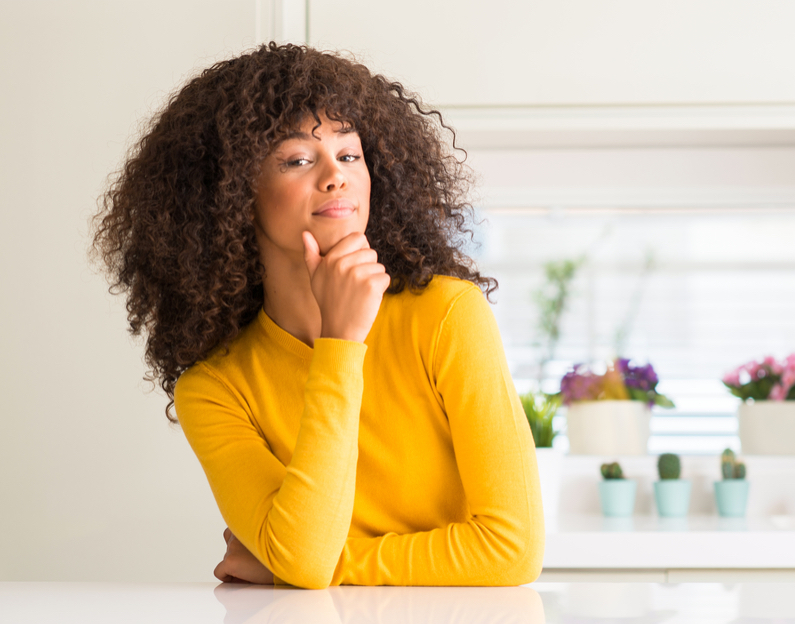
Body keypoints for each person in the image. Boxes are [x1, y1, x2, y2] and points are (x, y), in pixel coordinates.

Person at [93, 43, 544, 589]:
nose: (336, 176)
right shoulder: (213, 389)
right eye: (298, 160)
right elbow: (303, 559)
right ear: (231, 195)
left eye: (349, 155)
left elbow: (512, 549)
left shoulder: (448, 315)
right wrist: (342, 345)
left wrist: (312, 564)